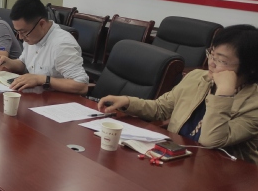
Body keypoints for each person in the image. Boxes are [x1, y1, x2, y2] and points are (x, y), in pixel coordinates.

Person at [99, 25, 258, 165]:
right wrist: (127, 101)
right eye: (212, 54)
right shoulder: (197, 77)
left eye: (222, 61)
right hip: (176, 159)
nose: (211, 63)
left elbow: (211, 141)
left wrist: (223, 94)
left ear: (250, 67)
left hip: (221, 175)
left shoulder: (254, 104)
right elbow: (160, 108)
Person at [0, 0, 89, 94]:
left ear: (42, 24)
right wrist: (8, 63)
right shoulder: (32, 36)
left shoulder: (62, 44)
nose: (20, 37)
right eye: (17, 32)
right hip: (36, 96)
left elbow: (82, 86)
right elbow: (24, 64)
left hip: (57, 99)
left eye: (23, 32)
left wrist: (42, 79)